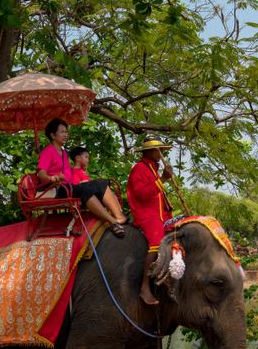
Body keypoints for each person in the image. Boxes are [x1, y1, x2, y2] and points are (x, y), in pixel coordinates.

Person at [37, 119, 127, 237]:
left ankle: (119, 216)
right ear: (53, 135)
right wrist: (51, 178)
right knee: (85, 190)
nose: (65, 135)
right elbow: (41, 173)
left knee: (100, 182)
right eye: (62, 132)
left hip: (69, 186)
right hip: (57, 189)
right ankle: (112, 222)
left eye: (66, 132)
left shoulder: (63, 153)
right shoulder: (48, 152)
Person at [127, 134, 175, 305]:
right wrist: (163, 179)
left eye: (162, 149)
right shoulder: (139, 168)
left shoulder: (152, 168)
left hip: (160, 214)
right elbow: (141, 195)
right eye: (158, 150)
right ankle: (145, 287)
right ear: (149, 151)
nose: (161, 152)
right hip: (146, 214)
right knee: (156, 243)